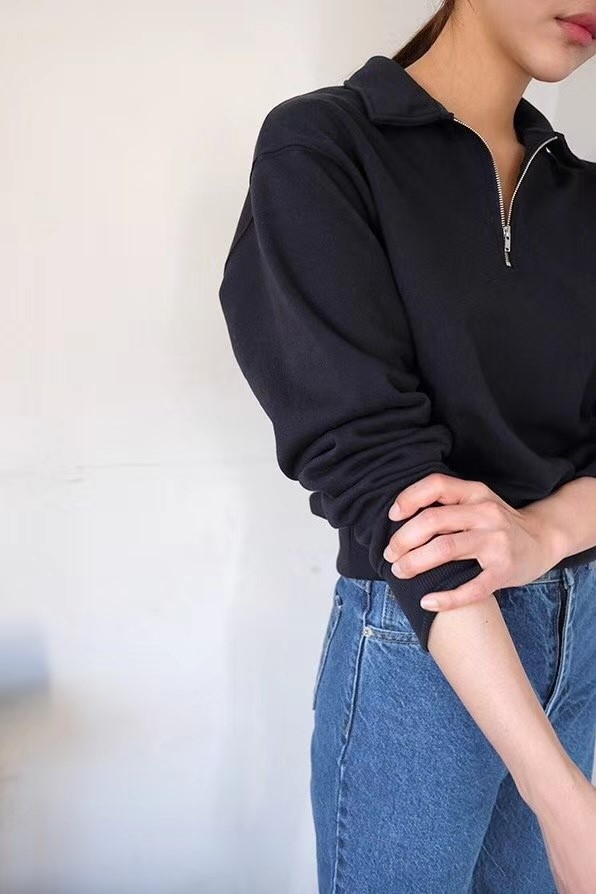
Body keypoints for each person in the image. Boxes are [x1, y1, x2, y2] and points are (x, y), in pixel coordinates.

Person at [217, 1, 596, 891]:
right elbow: (384, 477)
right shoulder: (322, 147)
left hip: (582, 631)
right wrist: (562, 798)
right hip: (424, 644)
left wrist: (543, 532)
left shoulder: (585, 202)